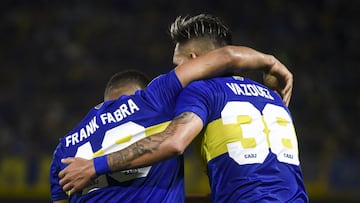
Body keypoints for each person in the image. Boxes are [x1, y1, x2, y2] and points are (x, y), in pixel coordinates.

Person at [58, 14, 306, 202]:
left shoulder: (201, 91)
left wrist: (95, 166)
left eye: (179, 64)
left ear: (196, 61)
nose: (177, 71)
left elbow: (173, 142)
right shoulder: (273, 99)